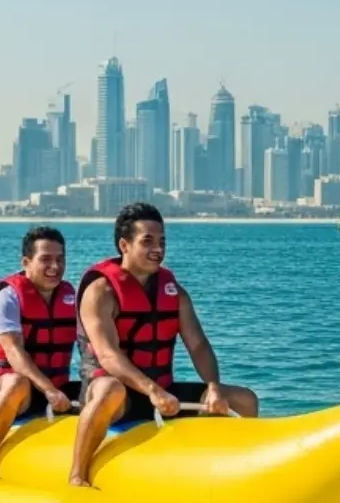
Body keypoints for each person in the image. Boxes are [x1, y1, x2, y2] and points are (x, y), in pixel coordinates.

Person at [71, 202, 258, 487]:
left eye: (162, 241)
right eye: (147, 241)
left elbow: (198, 345)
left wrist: (214, 387)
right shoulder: (101, 291)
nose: (157, 248)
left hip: (163, 394)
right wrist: (152, 391)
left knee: (245, 399)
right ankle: (77, 475)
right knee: (110, 388)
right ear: (125, 245)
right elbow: (108, 356)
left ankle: (244, 477)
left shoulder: (173, 291)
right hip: (116, 395)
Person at [0, 225, 78, 478]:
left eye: (60, 259)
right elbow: (13, 352)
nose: (55, 266)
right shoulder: (8, 296)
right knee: (16, 383)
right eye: (46, 259)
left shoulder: (70, 296)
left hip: (56, 387)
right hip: (8, 385)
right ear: (26, 261)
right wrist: (49, 390)